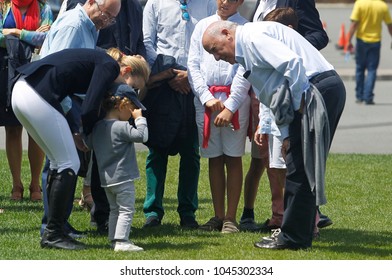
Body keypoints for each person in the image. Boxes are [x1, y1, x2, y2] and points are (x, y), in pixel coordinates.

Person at [202, 20, 346, 249]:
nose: (216, 57)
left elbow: (292, 64)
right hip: (318, 89)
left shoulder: (252, 37)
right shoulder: (246, 50)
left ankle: (293, 238)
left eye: (214, 49)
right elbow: (275, 94)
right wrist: (287, 134)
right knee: (299, 164)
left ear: (227, 34)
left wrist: (300, 102)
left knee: (300, 167)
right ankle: (299, 232)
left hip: (316, 89)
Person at [11, 48, 125, 250]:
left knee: (58, 162)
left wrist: (76, 132)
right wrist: (87, 136)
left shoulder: (97, 60)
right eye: (133, 87)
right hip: (35, 93)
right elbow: (90, 106)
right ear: (127, 71)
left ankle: (56, 230)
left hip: (22, 90)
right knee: (68, 162)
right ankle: (54, 233)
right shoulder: (110, 66)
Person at [239, 0, 332, 232]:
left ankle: (307, 217)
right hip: (264, 88)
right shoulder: (256, 4)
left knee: (294, 159)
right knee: (267, 158)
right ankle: (279, 215)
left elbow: (318, 35)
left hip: (292, 84)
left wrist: (290, 50)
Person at [37, 0, 121, 238]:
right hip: (58, 100)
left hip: (68, 99)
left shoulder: (91, 26)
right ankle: (51, 225)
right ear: (92, 2)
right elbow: (53, 71)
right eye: (106, 14)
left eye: (112, 19)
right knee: (57, 163)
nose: (107, 22)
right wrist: (69, 114)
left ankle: (60, 223)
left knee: (65, 162)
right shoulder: (74, 26)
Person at [141, 0, 216, 228]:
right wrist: (167, 73)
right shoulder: (155, 3)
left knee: (191, 152)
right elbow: (147, 42)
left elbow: (212, 43)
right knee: (157, 149)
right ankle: (152, 212)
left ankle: (187, 213)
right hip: (162, 85)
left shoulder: (208, 4)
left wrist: (189, 75)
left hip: (195, 84)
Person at [188, 0, 250, 233]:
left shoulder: (244, 28)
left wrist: (230, 105)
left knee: (233, 157)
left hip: (234, 102)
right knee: (214, 158)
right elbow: (192, 64)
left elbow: (245, 70)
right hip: (207, 102)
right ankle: (218, 215)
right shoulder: (203, 26)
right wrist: (205, 97)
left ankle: (231, 218)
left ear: (240, 2)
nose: (224, 2)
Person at [0, 0, 53, 201]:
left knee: (35, 129)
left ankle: (35, 184)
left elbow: (46, 38)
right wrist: (31, 36)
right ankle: (16, 184)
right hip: (6, 71)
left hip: (35, 70)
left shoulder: (43, 8)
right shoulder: (2, 7)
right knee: (12, 128)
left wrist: (15, 32)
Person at [86, 82, 148, 252]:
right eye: (132, 109)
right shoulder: (122, 127)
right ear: (122, 105)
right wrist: (139, 118)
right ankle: (122, 241)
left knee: (114, 209)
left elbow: (88, 143)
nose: (132, 113)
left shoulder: (98, 127)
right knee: (126, 209)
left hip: (106, 180)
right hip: (123, 177)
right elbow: (143, 136)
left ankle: (113, 239)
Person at [347, 0, 392, 105]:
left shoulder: (360, 3)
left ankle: (359, 95)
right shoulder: (382, 6)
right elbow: (389, 25)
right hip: (375, 41)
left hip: (361, 40)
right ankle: (368, 97)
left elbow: (354, 24)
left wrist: (349, 41)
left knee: (359, 68)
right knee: (372, 69)